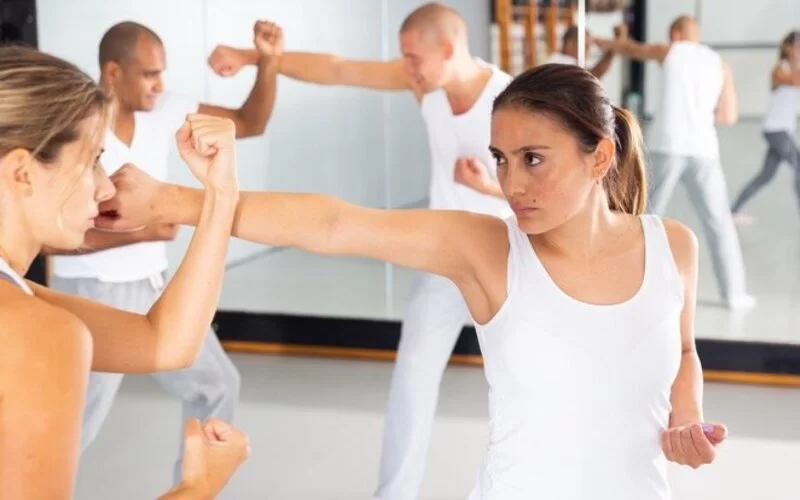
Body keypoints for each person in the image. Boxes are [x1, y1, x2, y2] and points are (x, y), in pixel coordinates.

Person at [101, 62, 728, 500]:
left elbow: (680, 350)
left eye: (533, 159)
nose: (510, 185)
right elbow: (335, 223)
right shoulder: (487, 250)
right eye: (501, 160)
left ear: (600, 156)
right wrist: (172, 201)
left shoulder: (673, 245)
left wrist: (687, 419)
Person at [210, 4, 511, 497]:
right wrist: (252, 57)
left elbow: (546, 191)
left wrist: (491, 188)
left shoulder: (509, 98)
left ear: (448, 49)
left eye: (413, 57)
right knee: (412, 382)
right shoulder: (425, 84)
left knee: (512, 389)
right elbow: (337, 68)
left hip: (500, 261)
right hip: (440, 260)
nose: (406, 67)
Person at [0, 45, 248, 499]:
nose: (106, 185)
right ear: (23, 173)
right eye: (92, 159)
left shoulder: (23, 301)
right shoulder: (37, 329)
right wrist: (201, 485)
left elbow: (165, 343)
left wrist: (220, 196)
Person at [41, 19, 281, 482]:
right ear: (113, 72)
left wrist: (267, 62)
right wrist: (142, 233)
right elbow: (51, 238)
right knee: (73, 427)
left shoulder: (166, 108)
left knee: (218, 386)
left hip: (153, 288)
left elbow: (251, 122)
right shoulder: (75, 128)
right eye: (149, 73)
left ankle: (193, 489)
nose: (160, 84)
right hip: (93, 293)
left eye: (162, 72)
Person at [596, 15, 754, 310]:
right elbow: (728, 116)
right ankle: (735, 295)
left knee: (641, 215)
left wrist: (603, 42)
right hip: (704, 149)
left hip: (668, 144)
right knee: (718, 222)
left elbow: (631, 49)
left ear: (675, 35)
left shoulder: (670, 50)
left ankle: (617, 282)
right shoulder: (720, 64)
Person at [731, 31, 800, 223]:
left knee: (766, 175)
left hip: (782, 131)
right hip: (775, 130)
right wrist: (795, 59)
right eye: (796, 46)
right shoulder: (780, 69)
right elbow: (794, 80)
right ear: (787, 47)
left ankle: (733, 210)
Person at [545, 25, 619, 79]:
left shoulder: (561, 59)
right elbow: (592, 76)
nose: (588, 52)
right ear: (571, 44)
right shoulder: (560, 61)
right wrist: (612, 51)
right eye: (586, 46)